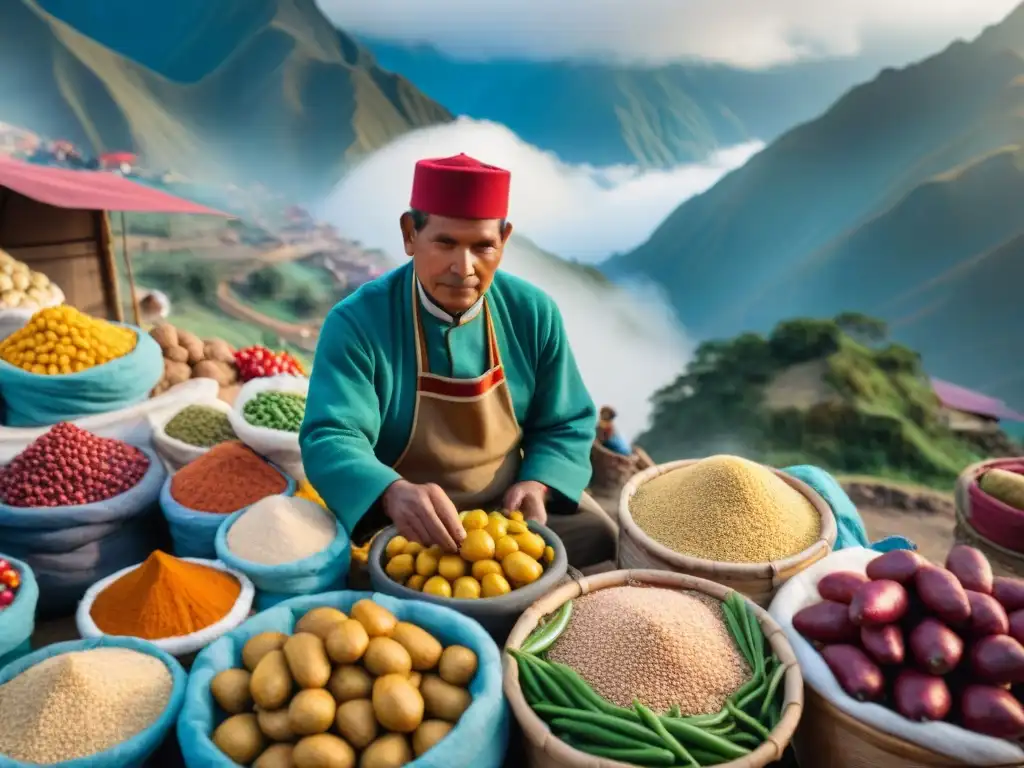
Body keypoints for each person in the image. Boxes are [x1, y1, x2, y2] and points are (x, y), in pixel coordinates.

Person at [300, 153, 617, 570]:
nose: (463, 268)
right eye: (445, 243)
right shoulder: (358, 322)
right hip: (402, 521)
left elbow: (567, 421)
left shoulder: (533, 312)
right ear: (410, 234)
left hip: (509, 515)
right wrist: (391, 492)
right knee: (368, 574)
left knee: (602, 537)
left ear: (503, 239)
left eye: (482, 246)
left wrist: (538, 484)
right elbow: (331, 435)